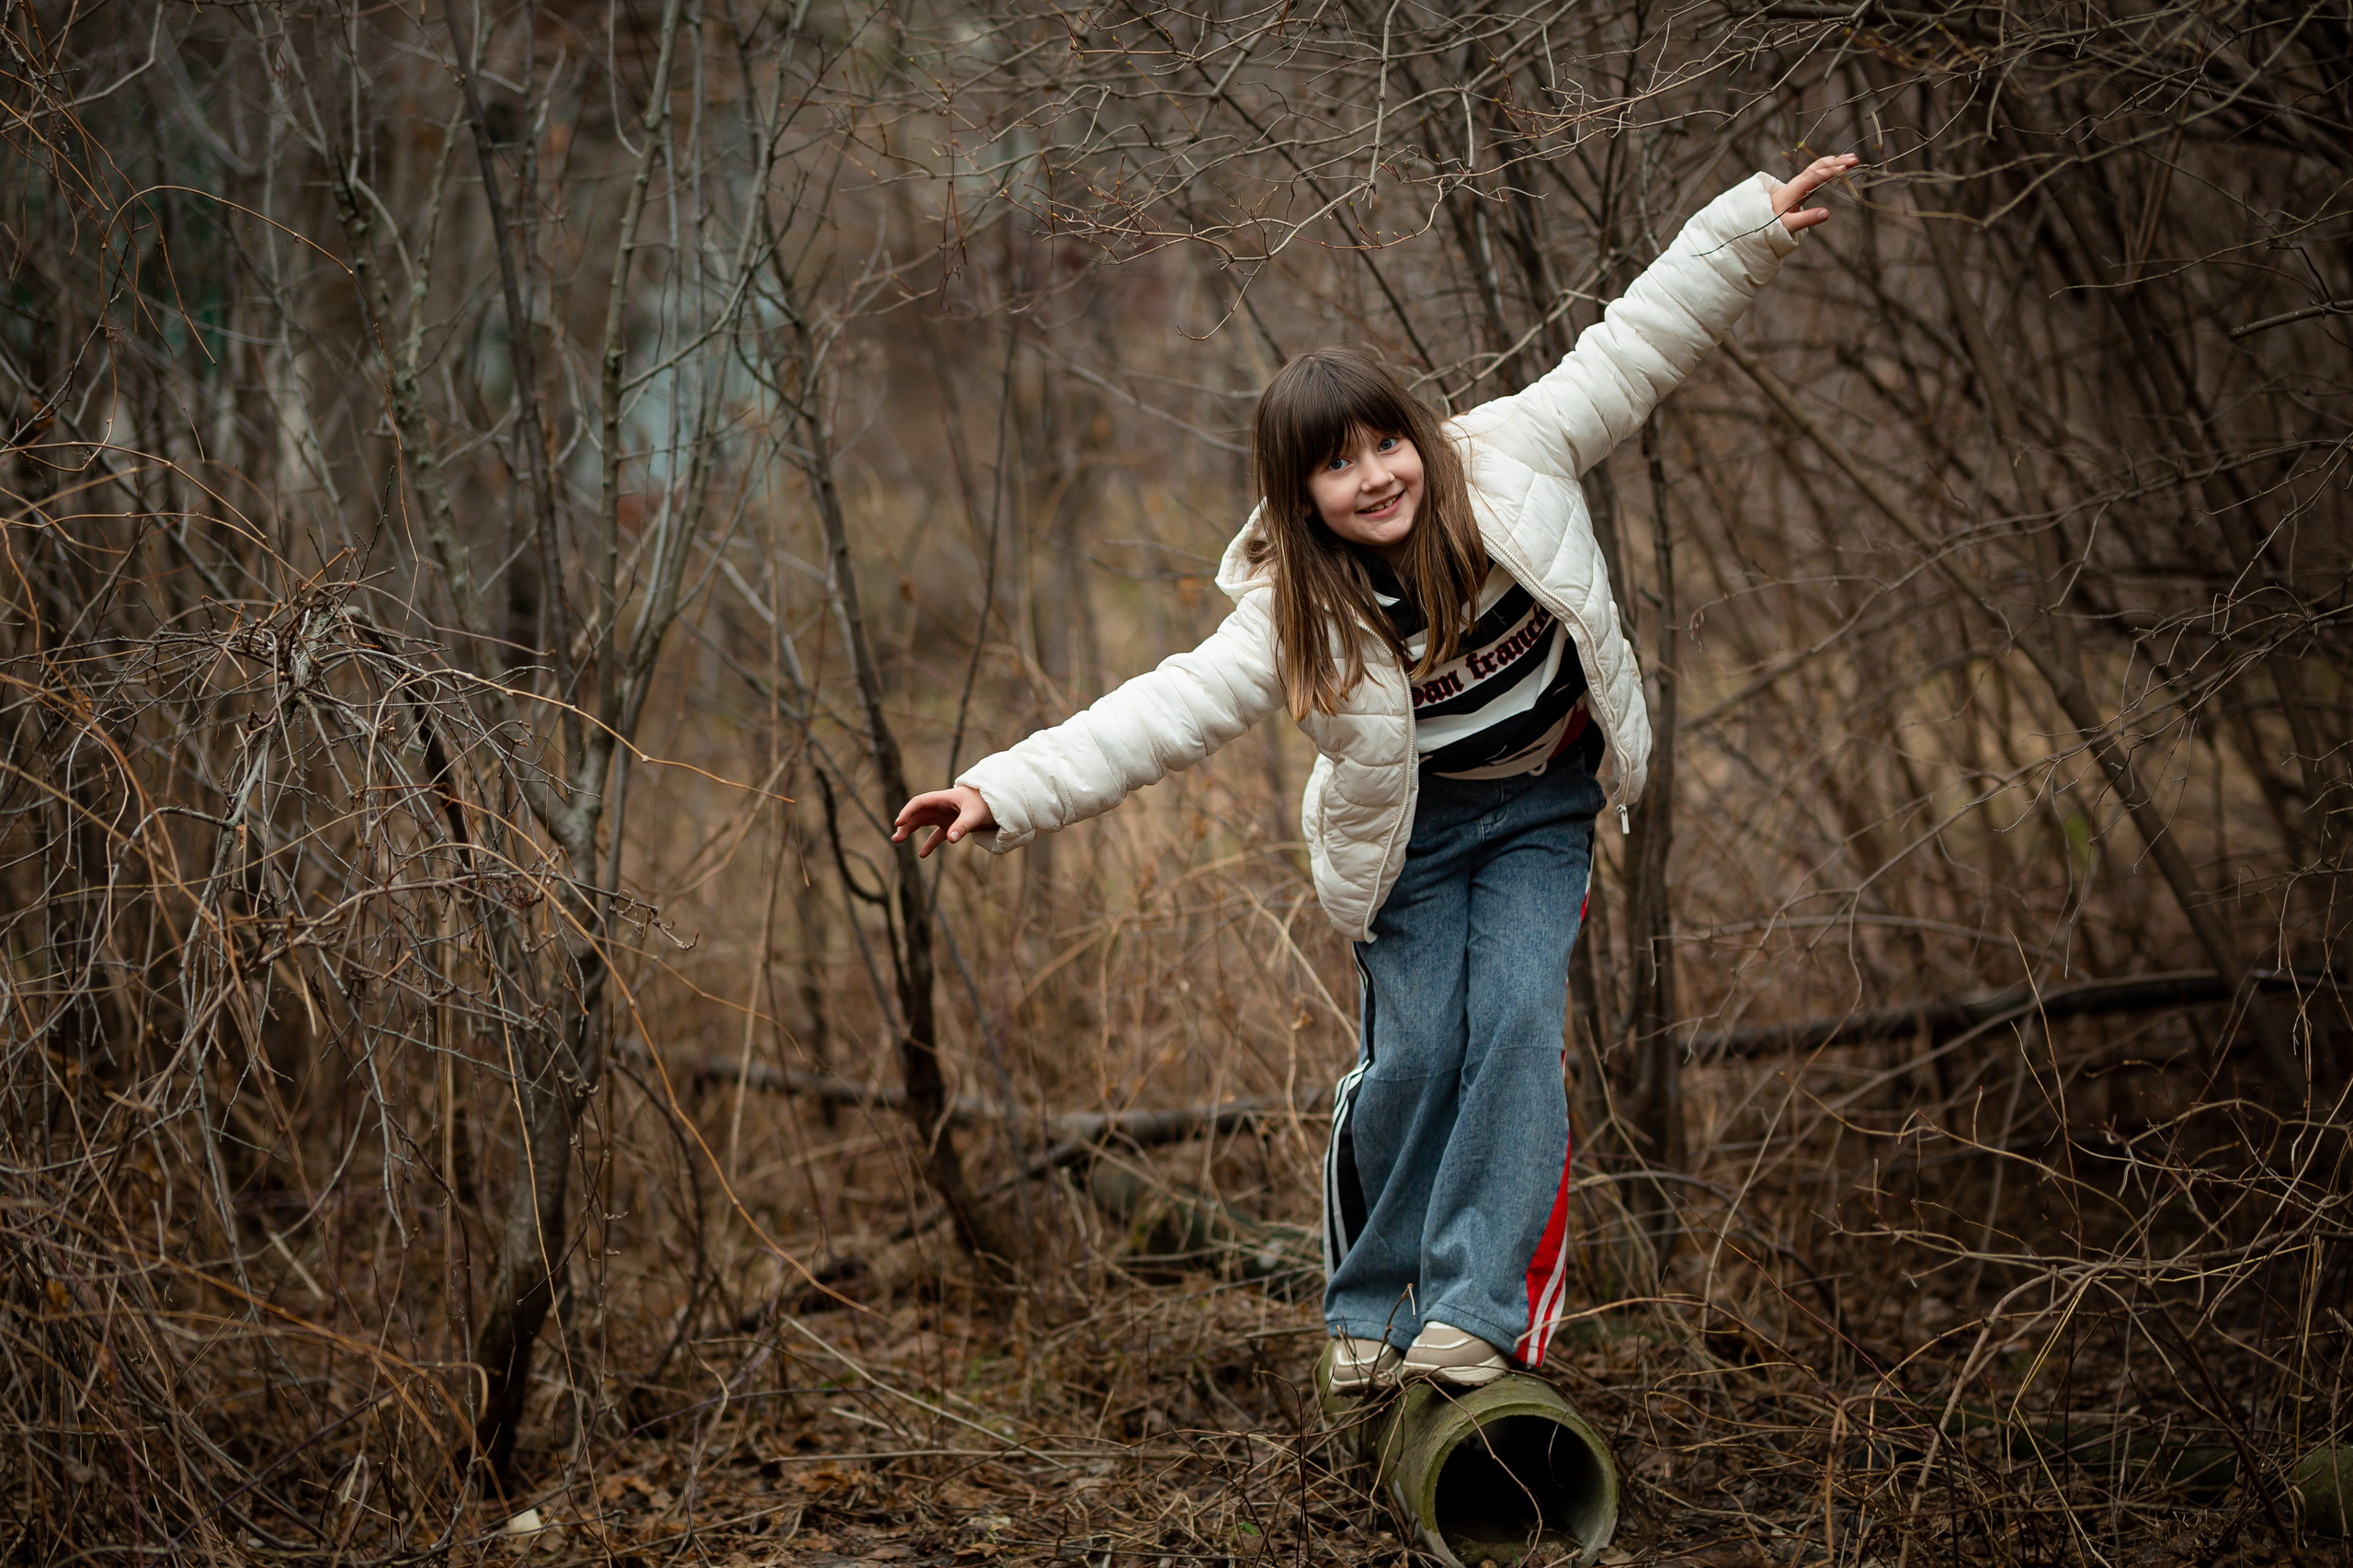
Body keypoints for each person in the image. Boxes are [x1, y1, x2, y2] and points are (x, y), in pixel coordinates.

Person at [895, 154, 1859, 1392]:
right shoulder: (1294, 612)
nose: (1376, 477)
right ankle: (1367, 1304)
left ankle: (1473, 1307)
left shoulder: (1515, 456)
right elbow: (1161, 710)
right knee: (1415, 1059)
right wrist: (1001, 789)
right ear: (1302, 497)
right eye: (1338, 466)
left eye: (1386, 444)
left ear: (1418, 436)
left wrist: (1746, 231)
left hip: (1542, 810)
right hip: (1412, 843)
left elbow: (1634, 346)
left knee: (1515, 1026)